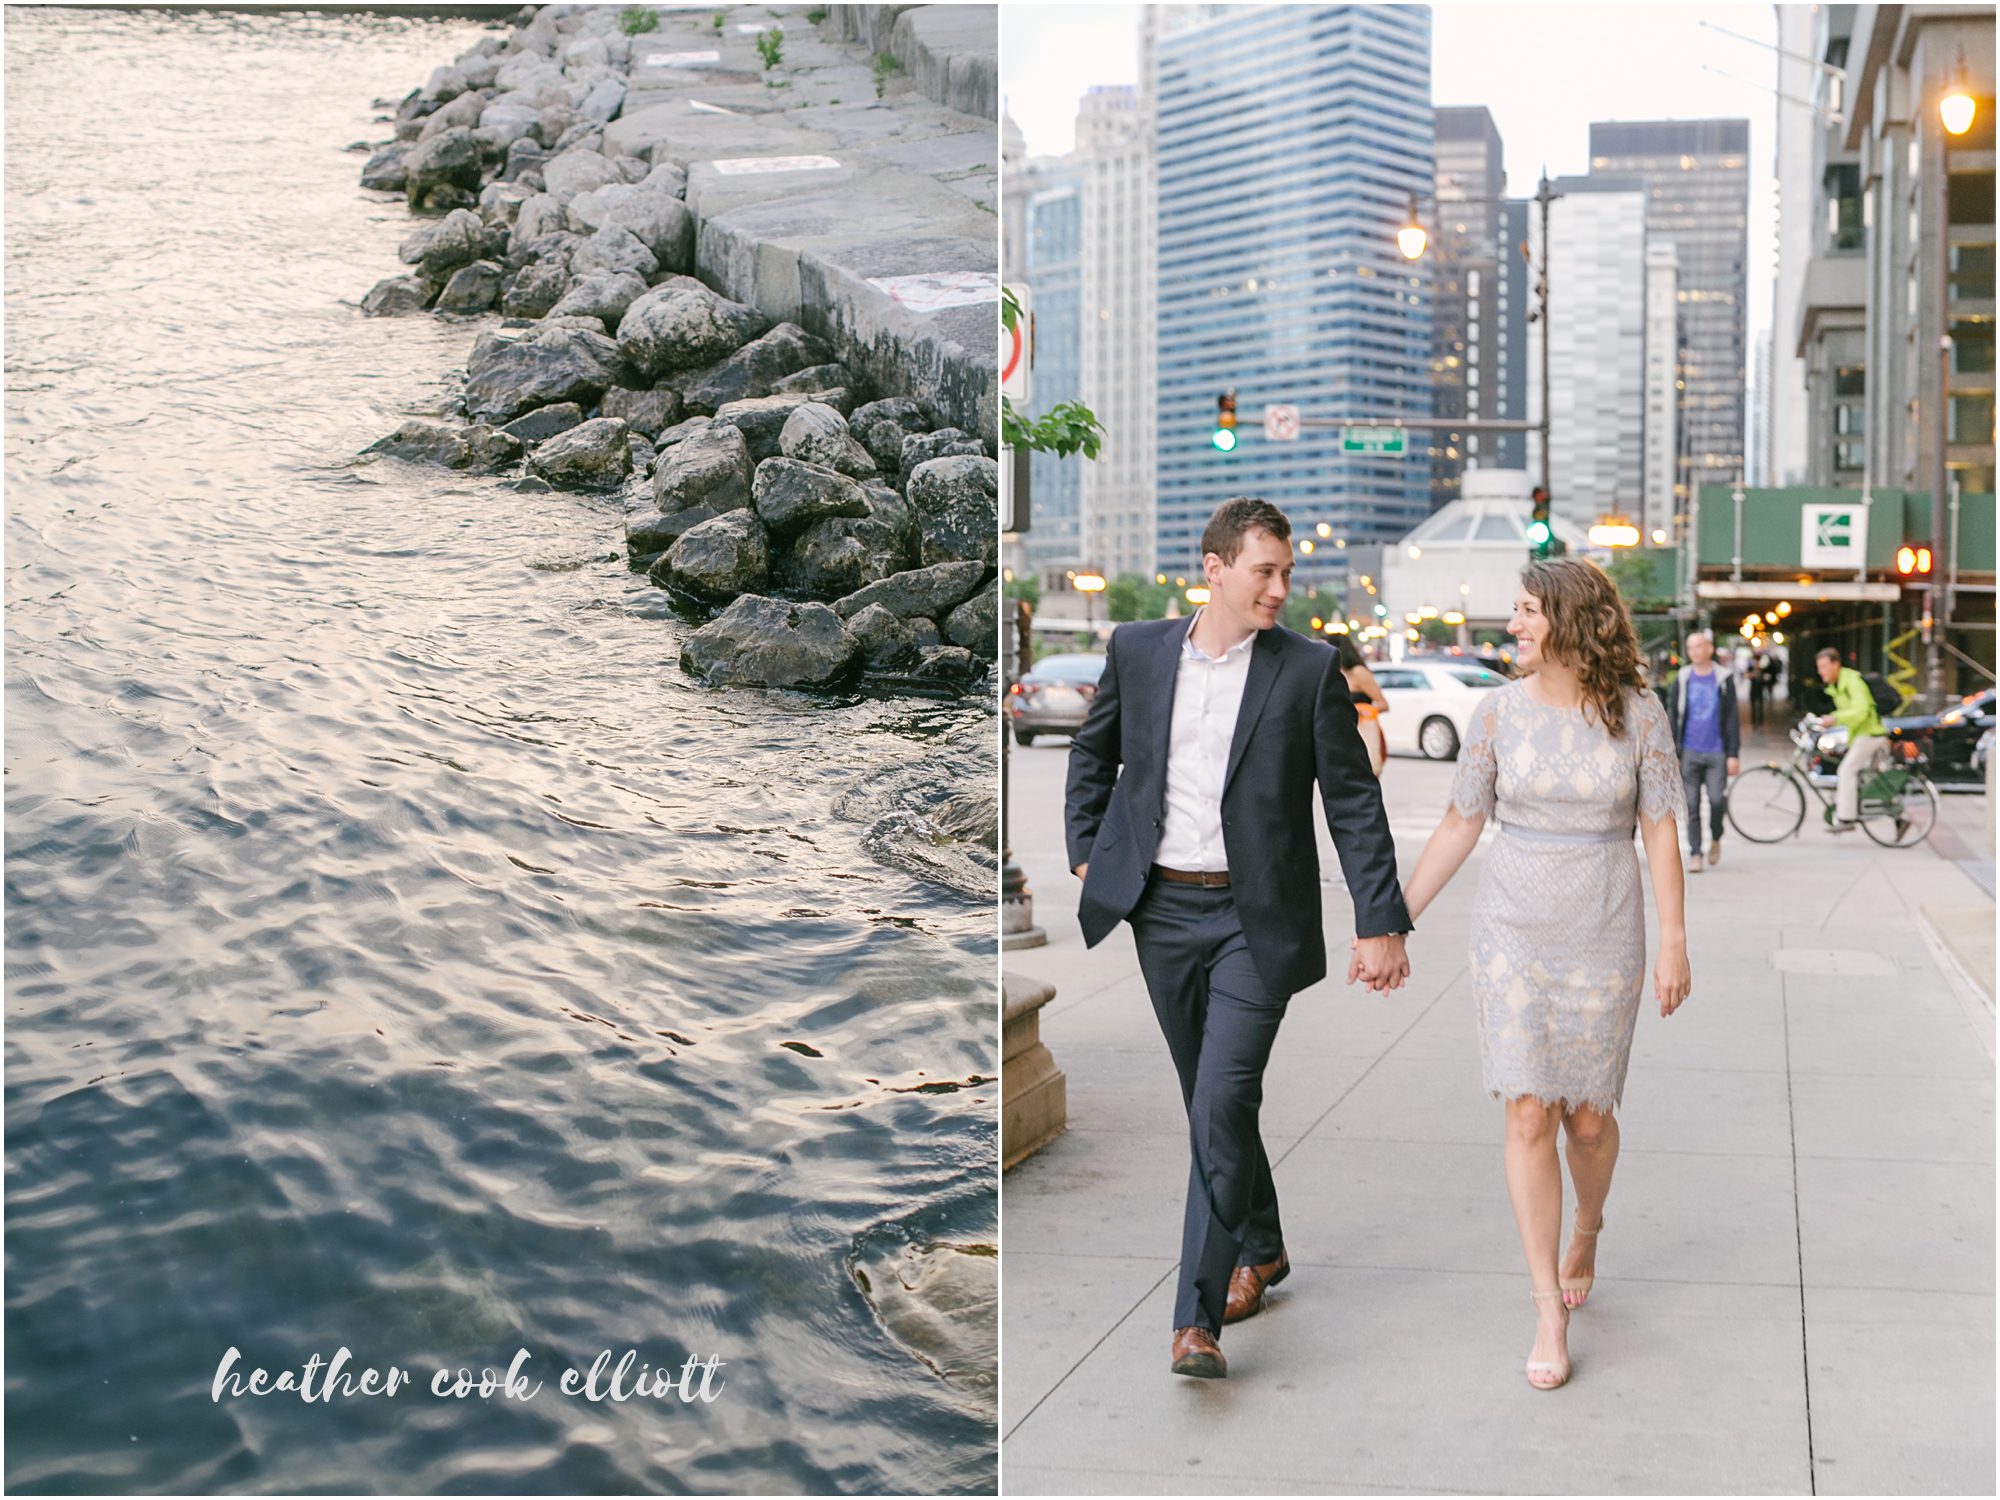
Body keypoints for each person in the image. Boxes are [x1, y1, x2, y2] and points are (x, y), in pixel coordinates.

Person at [1064, 497, 1412, 1380]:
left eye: (1287, 573)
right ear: (1214, 569)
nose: (1280, 589)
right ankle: (1264, 1241)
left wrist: (1380, 920)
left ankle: (1197, 1315)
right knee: (1211, 1103)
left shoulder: (1306, 668)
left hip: (1256, 924)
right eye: (1266, 571)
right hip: (1162, 914)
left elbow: (1352, 803)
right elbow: (1092, 754)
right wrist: (1085, 853)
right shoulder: (1139, 651)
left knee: (1220, 1101)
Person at [1399, 557, 1690, 1391]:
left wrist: (1675, 936)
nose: (1514, 626)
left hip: (1606, 927)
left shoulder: (1637, 715)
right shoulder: (1496, 715)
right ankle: (1545, 1310)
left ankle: (1588, 1225)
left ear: (1570, 619)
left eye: (1526, 612)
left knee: (1588, 1124)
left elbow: (1663, 828)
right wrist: (1395, 918)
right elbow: (1460, 824)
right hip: (1512, 933)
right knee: (1529, 1113)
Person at [1667, 630, 1740, 873]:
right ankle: (1696, 853)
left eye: (1698, 646)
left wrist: (1733, 753)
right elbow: (1673, 716)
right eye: (1690, 648)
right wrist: (1673, 753)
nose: (1694, 651)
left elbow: (1732, 718)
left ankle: (1716, 836)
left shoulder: (1723, 679)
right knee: (1691, 805)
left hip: (1717, 751)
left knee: (1718, 799)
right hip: (1689, 751)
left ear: (1709, 648)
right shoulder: (1683, 677)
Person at [1811, 647, 1887, 833]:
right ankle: (1892, 815)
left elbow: (1861, 711)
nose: (1821, 671)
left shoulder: (1852, 681)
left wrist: (1835, 718)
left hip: (1870, 734)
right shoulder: (1836, 686)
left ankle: (1846, 818)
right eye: (1818, 667)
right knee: (1858, 772)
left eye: (1824, 666)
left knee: (1846, 770)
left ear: (1836, 664)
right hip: (1858, 735)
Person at [1333, 631, 1388, 776]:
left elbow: (1383, 704)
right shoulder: (1331, 674)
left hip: (1362, 734)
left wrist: (1357, 710)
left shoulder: (1358, 672)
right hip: (1338, 737)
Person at [1747, 650, 1769, 728]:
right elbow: (1747, 675)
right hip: (1753, 689)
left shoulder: (1762, 669)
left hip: (1760, 689)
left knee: (1760, 706)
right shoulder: (1750, 668)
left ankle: (1760, 722)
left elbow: (1766, 678)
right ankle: (1754, 722)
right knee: (1753, 706)